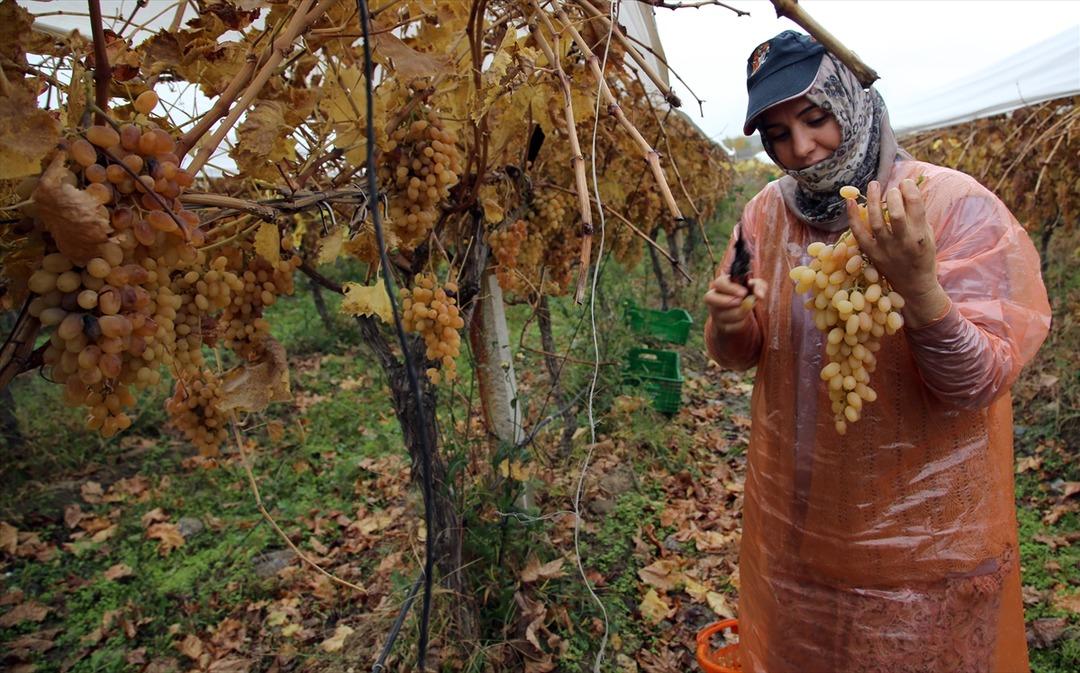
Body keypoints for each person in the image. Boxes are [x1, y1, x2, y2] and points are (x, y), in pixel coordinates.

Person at [703, 30, 1052, 673]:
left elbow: (978, 383)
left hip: (928, 553)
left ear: (852, 101)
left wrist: (920, 288)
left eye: (815, 119)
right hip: (801, 534)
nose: (800, 149)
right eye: (778, 135)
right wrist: (728, 325)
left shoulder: (949, 208)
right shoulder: (764, 217)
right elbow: (743, 352)